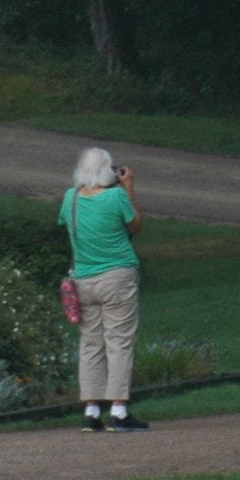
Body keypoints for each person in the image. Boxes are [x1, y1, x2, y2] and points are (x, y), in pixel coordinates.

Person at [60, 146, 146, 432]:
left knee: (91, 345)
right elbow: (134, 225)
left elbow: (67, 226)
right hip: (117, 277)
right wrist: (129, 186)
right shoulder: (116, 196)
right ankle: (119, 411)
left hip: (83, 278)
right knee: (118, 342)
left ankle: (91, 410)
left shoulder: (70, 198)